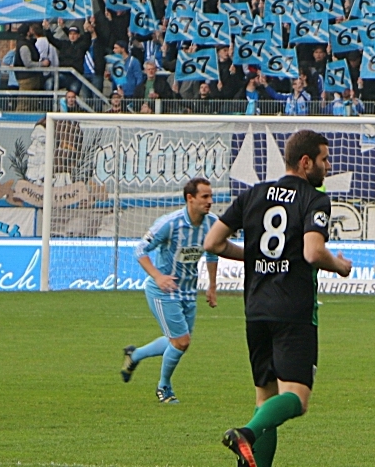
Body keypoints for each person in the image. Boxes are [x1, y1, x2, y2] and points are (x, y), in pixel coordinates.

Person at [204, 129, 353, 467]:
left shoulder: (254, 193)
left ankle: (252, 446)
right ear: (305, 162)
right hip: (293, 309)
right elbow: (314, 253)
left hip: (256, 308)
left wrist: (255, 256)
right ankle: (247, 433)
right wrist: (340, 266)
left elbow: (212, 243)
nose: (327, 166)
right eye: (324, 159)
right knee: (296, 399)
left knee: (265, 398)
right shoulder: (314, 199)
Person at [120, 177, 219, 403]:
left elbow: (213, 252)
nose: (210, 201)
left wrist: (211, 286)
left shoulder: (212, 223)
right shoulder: (170, 223)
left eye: (211, 196)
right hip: (163, 290)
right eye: (205, 196)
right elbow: (140, 250)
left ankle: (134, 356)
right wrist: (158, 276)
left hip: (188, 291)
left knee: (177, 341)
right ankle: (164, 388)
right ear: (190, 198)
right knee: (181, 341)